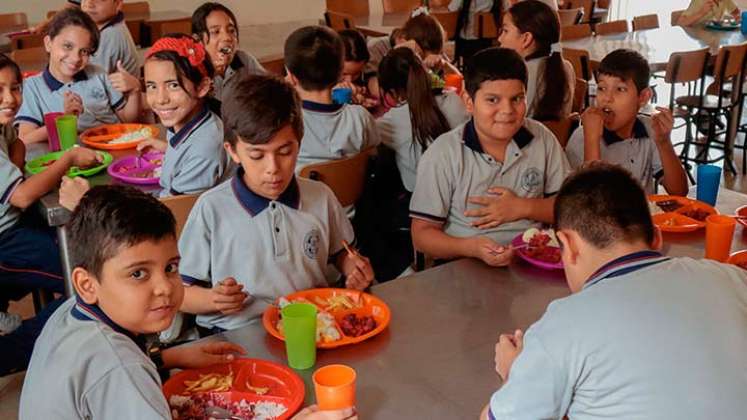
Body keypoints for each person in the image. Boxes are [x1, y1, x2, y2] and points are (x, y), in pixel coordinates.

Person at [481, 163, 747, 419]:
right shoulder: (732, 278)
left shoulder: (565, 324)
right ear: (657, 238)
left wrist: (514, 374)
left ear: (567, 244)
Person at [19, 185, 247, 418]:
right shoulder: (121, 368)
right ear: (87, 285)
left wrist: (170, 358)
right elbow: (117, 368)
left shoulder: (71, 312)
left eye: (170, 267)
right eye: (138, 274)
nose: (165, 287)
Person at [178, 75, 375, 334]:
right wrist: (214, 299)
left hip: (311, 324)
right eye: (257, 155)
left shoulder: (320, 196)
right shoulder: (211, 210)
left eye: (285, 152)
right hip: (238, 333)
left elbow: (340, 253)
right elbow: (179, 292)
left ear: (299, 144)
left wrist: (355, 269)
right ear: (233, 151)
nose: (272, 169)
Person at [409, 47, 571, 267]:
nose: (507, 110)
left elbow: (570, 208)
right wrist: (471, 247)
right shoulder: (443, 153)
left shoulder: (542, 139)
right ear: (468, 101)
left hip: (533, 259)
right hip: (463, 263)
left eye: (517, 99)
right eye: (493, 100)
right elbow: (421, 235)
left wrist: (522, 207)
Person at [0, 54, 102, 378]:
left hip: (15, 225)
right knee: (88, 279)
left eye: (15, 88)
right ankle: (18, 349)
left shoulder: (2, 127)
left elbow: (15, 163)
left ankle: (69, 334)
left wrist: (12, 138)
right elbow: (22, 195)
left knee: (82, 257)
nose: (10, 98)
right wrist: (69, 157)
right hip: (4, 240)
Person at [565, 49, 688, 195]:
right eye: (601, 88)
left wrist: (664, 142)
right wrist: (591, 141)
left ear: (643, 97)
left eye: (620, 89)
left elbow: (679, 191)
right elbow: (592, 205)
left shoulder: (649, 129)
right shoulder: (582, 138)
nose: (607, 98)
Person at [14, 8, 141, 145]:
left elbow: (127, 119)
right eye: (68, 46)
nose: (75, 58)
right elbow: (25, 139)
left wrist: (135, 91)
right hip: (75, 158)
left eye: (84, 51)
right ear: (48, 43)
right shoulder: (32, 87)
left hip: (115, 145)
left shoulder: (98, 73)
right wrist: (65, 119)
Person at [283, 26, 380, 172]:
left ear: (291, 76)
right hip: (352, 193)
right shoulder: (360, 117)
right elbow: (373, 153)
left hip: (301, 193)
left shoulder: (284, 122)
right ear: (340, 72)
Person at [377, 47, 469, 193]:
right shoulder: (453, 101)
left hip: (418, 200)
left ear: (394, 92)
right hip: (460, 192)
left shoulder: (391, 122)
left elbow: (362, 137)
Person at [498, 0, 574, 120]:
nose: (500, 38)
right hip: (554, 137)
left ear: (526, 39)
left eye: (505, 31)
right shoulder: (566, 67)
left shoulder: (518, 75)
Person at [191, 2, 266, 106]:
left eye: (231, 30)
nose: (227, 37)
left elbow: (269, 89)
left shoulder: (244, 60)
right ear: (197, 39)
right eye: (216, 32)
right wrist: (211, 74)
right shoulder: (191, 70)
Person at [81, 0, 140, 75]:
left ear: (118, 4)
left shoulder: (110, 35)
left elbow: (93, 82)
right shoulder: (109, 27)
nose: (89, 4)